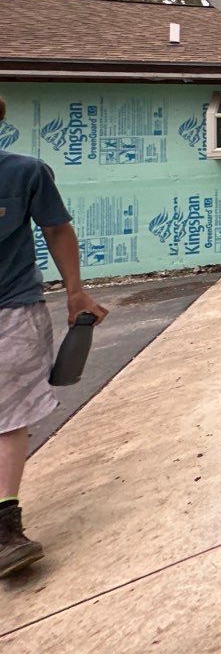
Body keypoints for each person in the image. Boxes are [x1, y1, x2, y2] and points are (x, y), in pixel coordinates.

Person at [0, 94, 106, 578]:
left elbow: (57, 229)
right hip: (15, 313)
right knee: (9, 421)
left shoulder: (25, 173)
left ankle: (4, 526)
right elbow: (58, 230)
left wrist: (76, 292)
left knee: (9, 420)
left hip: (13, 313)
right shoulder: (25, 171)